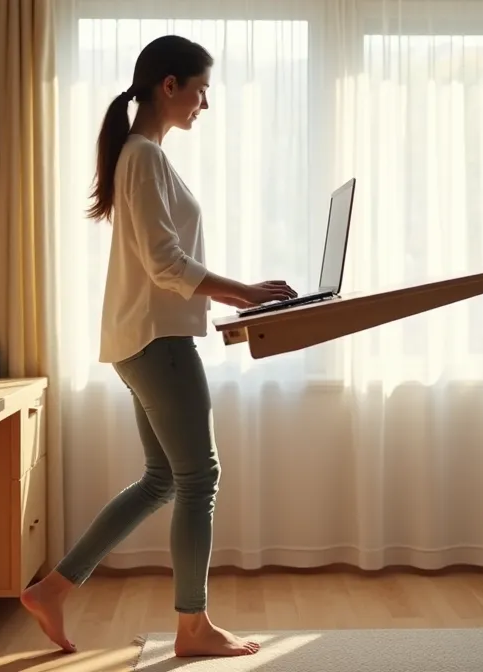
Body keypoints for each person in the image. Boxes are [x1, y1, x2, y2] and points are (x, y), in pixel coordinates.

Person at [19, 35, 297, 658]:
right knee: (200, 478)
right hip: (156, 340)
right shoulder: (142, 157)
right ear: (168, 86)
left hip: (140, 339)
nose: (205, 104)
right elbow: (168, 264)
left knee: (163, 480)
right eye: (200, 90)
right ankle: (193, 627)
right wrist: (245, 294)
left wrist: (241, 295)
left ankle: (54, 588)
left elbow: (163, 263)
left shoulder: (142, 157)